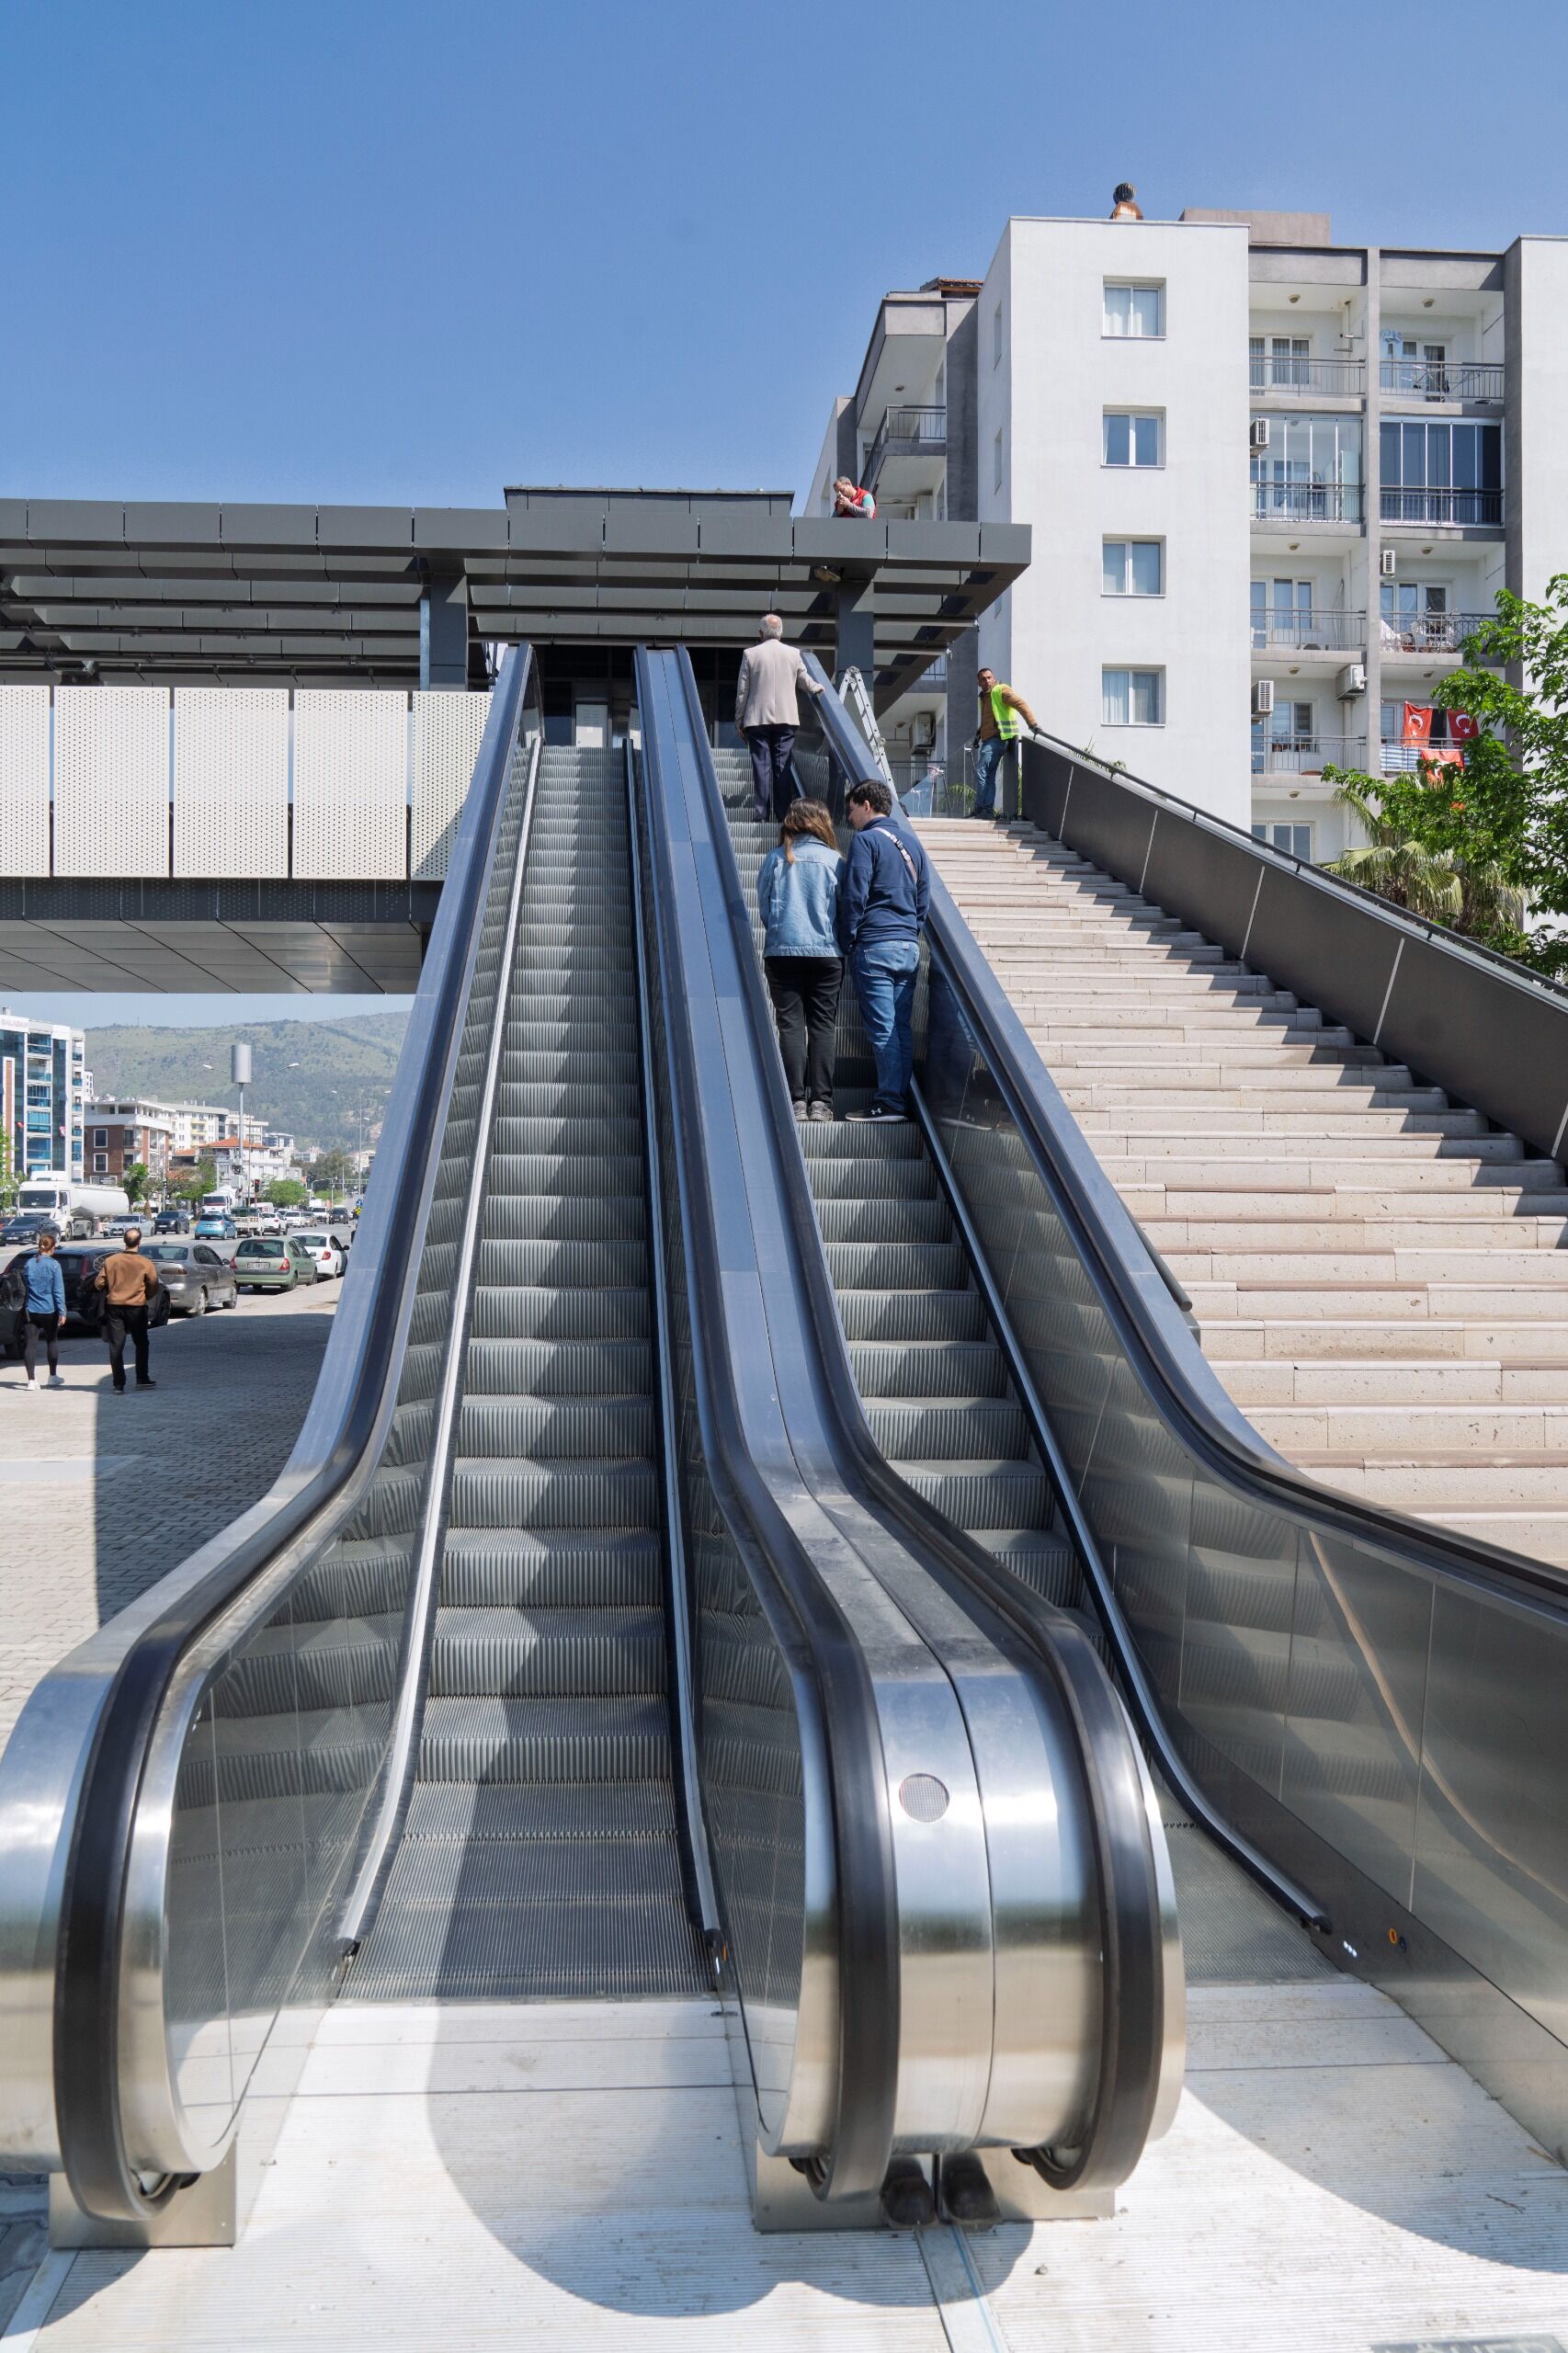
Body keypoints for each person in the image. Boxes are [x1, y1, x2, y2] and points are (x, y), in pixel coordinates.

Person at [835, 776, 929, 1124]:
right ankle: (897, 1099)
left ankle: (889, 1101)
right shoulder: (913, 845)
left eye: (851, 811)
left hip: (875, 945)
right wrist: (909, 931)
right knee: (900, 1027)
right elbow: (924, 898)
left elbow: (855, 893)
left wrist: (848, 938)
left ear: (867, 805)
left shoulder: (866, 841)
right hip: (908, 946)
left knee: (883, 1028)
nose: (849, 819)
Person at [757, 799, 845, 1124]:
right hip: (826, 953)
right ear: (822, 822)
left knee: (791, 1025)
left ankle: (796, 1100)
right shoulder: (835, 860)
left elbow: (765, 908)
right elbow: (845, 907)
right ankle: (821, 1102)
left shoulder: (777, 859)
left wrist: (781, 933)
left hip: (783, 953)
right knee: (822, 1025)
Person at [735, 614, 826, 824]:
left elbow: (743, 691)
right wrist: (816, 688)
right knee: (782, 766)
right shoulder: (793, 654)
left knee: (761, 766)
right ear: (781, 633)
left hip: (757, 719)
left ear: (761, 634)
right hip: (786, 718)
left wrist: (739, 720)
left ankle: (761, 815)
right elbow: (804, 680)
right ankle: (783, 814)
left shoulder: (750, 654)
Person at [96, 1224, 159, 1392]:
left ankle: (118, 1384)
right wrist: (146, 1296)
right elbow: (153, 1284)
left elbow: (99, 1283)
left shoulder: (111, 1261)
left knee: (116, 1346)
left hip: (114, 1307)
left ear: (124, 1241)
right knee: (141, 1343)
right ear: (139, 1242)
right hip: (137, 1307)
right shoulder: (145, 1263)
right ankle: (142, 1378)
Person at [972, 666, 1041, 822]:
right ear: (979, 682)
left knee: (981, 772)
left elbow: (1021, 704)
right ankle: (987, 811)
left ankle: (981, 808)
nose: (987, 681)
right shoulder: (984, 697)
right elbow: (989, 719)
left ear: (993, 677)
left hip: (998, 739)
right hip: (989, 740)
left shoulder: (1000, 691)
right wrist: (978, 735)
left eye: (989, 677)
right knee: (988, 775)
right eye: (983, 679)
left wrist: (1033, 724)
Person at [20, 1229, 66, 1392]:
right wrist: (62, 1311)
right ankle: (53, 1376)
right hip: (49, 1310)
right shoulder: (54, 1265)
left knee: (30, 1344)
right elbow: (58, 1291)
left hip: (29, 1309)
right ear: (52, 1248)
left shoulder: (29, 1263)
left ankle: (31, 1380)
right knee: (51, 1340)